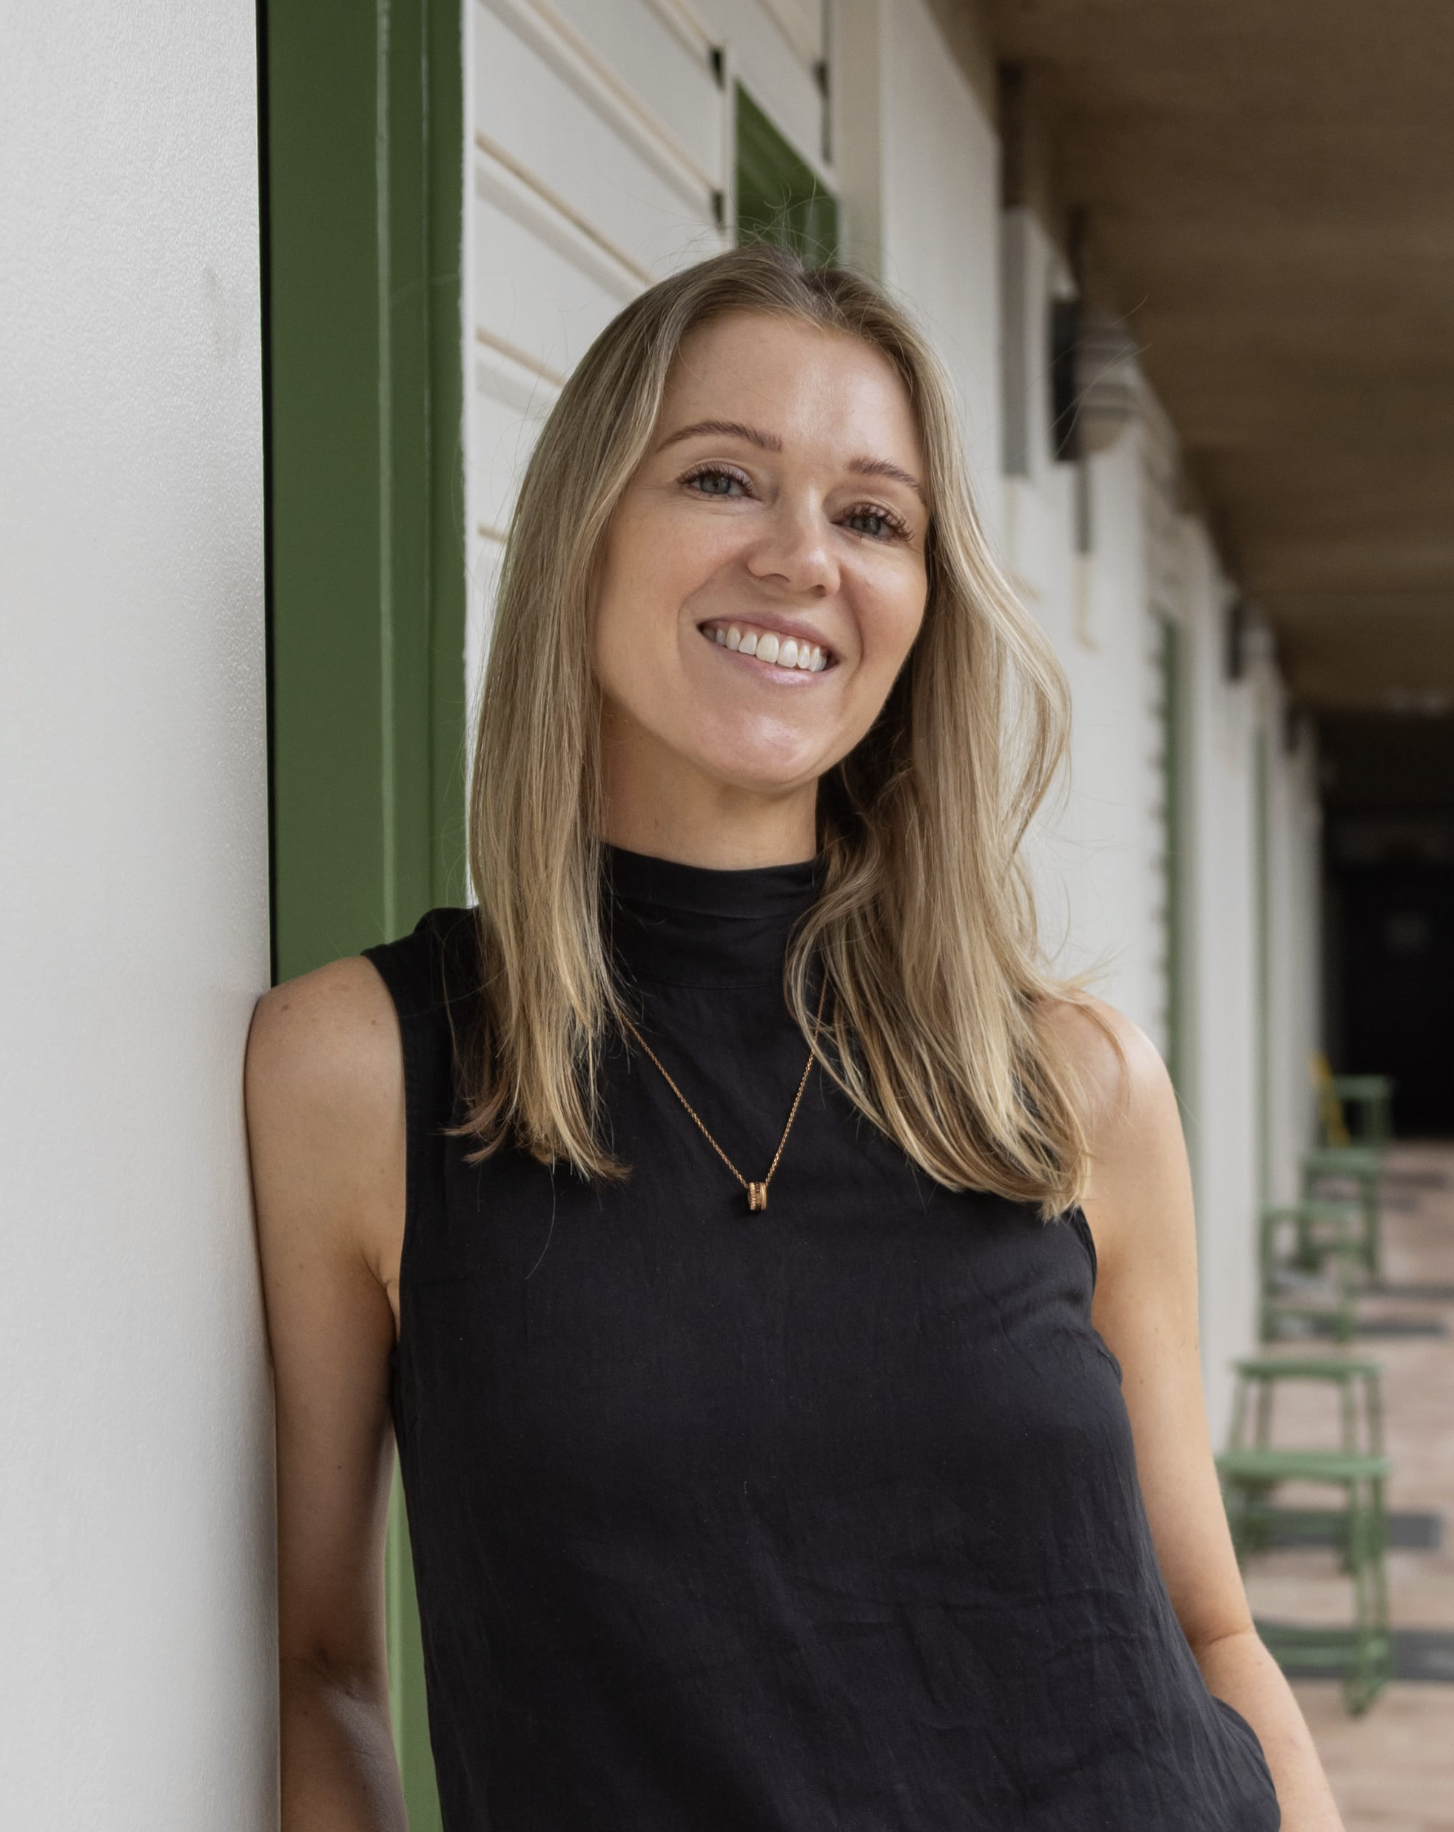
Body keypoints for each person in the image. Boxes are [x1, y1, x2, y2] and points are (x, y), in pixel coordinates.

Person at [246, 246, 1342, 1830]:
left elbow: (1210, 1629)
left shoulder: (1062, 1082)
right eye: (720, 478)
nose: (797, 558)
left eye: (871, 516)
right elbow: (325, 1670)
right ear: (585, 533)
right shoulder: (364, 1070)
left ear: (918, 603)